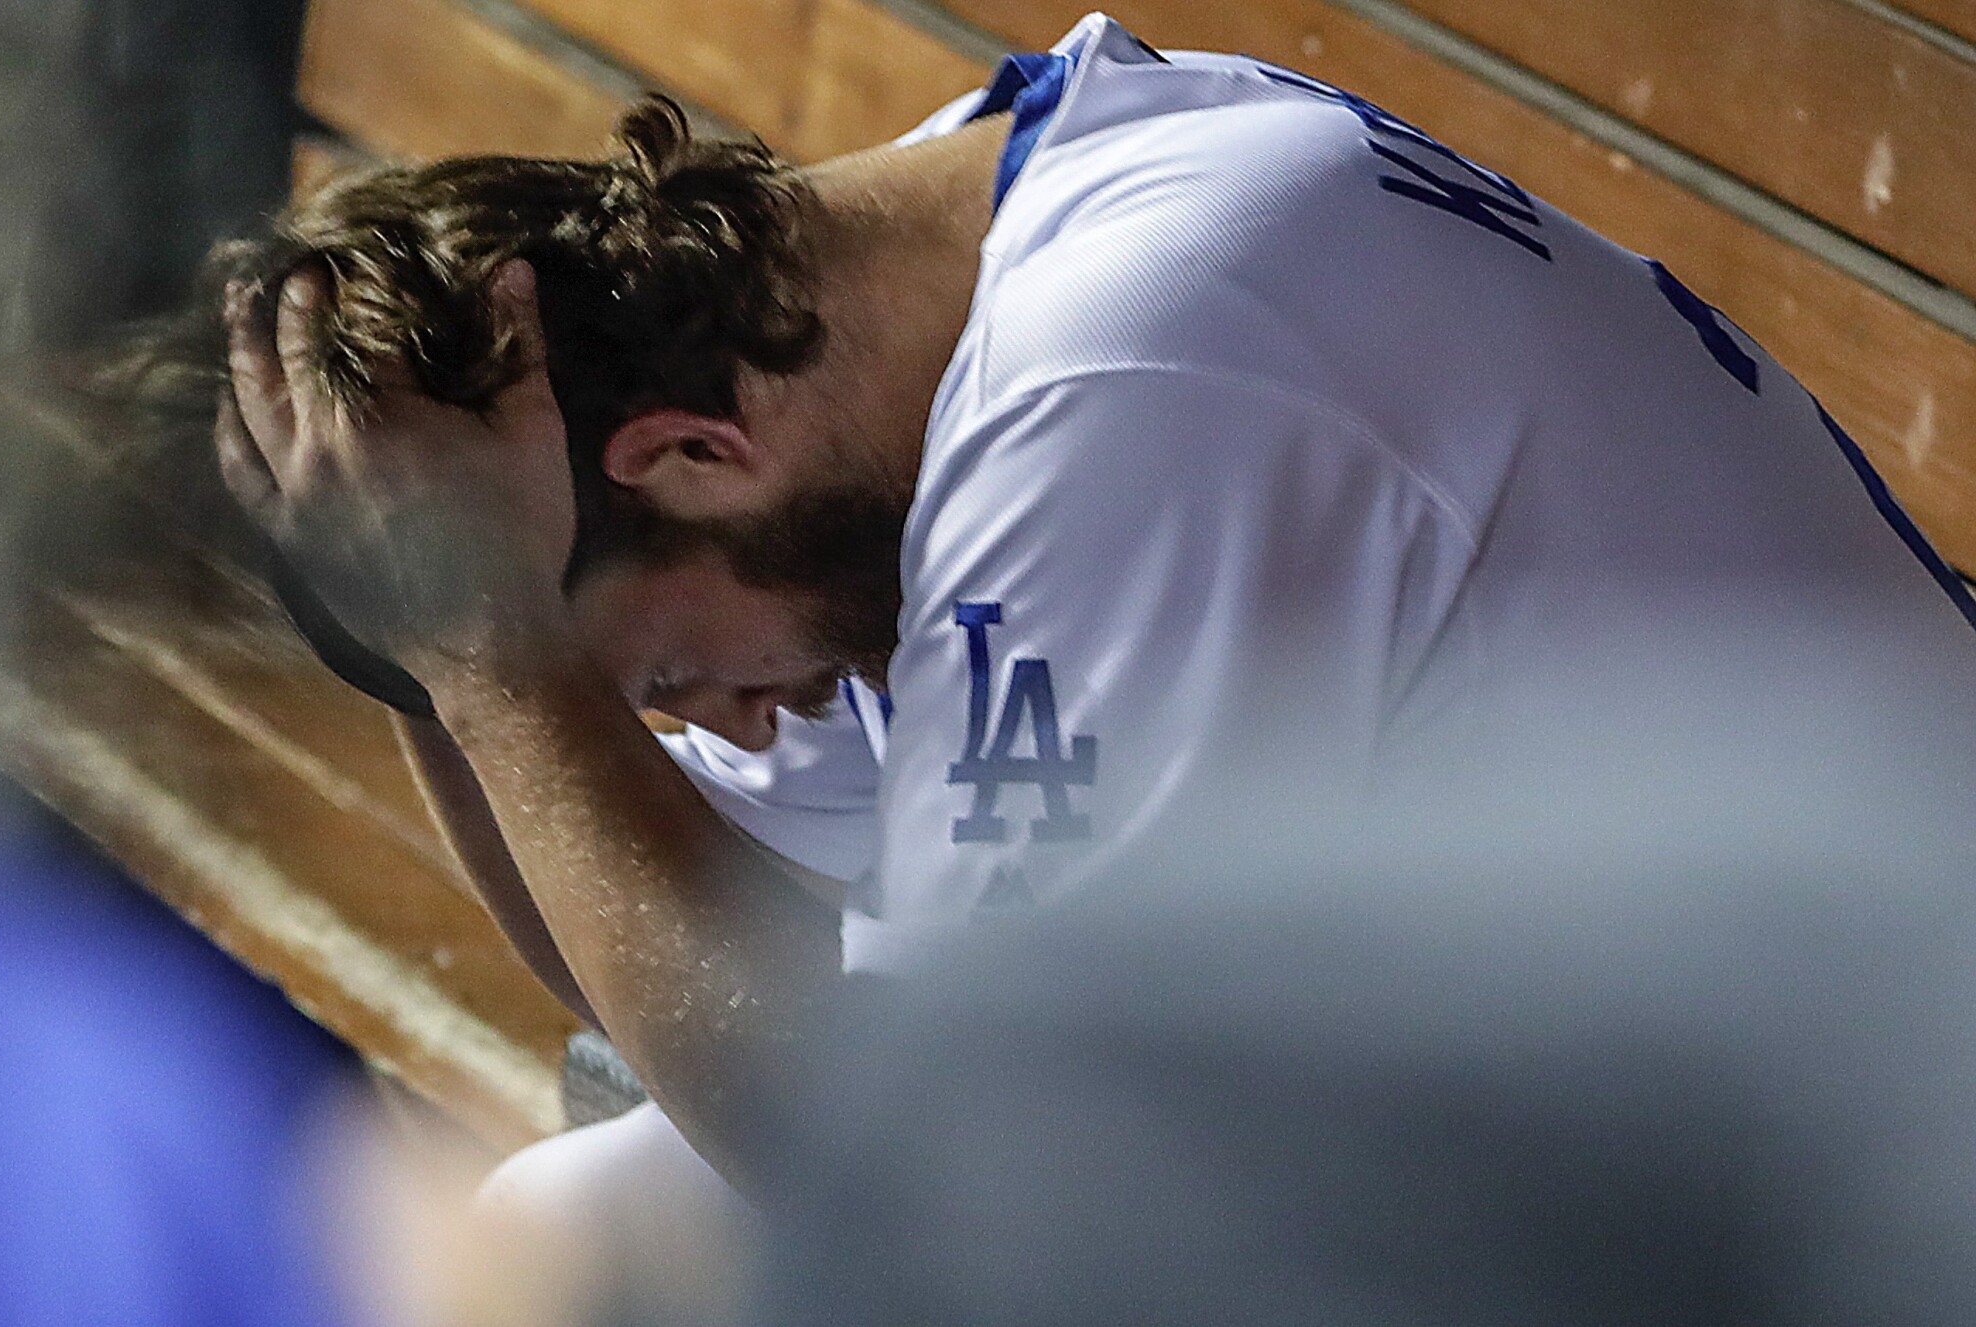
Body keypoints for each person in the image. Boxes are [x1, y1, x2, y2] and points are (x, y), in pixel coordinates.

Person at [143, 12, 1976, 1204]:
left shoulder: (1131, 379)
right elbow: (701, 972)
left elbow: (916, 1161)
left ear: (689, 454)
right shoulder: (936, 275)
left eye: (674, 677)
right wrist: (413, 633)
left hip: (1846, 1168)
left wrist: (495, 657)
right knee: (572, 1223)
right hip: (1572, 1089)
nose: (716, 731)